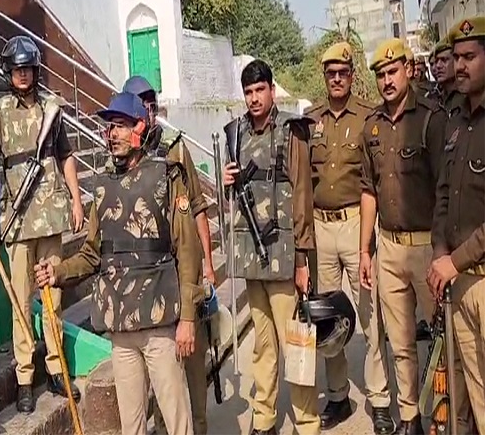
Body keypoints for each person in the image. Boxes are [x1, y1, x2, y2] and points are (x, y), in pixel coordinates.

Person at [34, 91, 202, 435]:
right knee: (132, 425)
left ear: (140, 127)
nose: (112, 134)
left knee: (177, 420)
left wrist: (187, 318)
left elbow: (187, 251)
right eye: (109, 127)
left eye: (121, 126)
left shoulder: (167, 176)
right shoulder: (103, 186)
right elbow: (92, 254)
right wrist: (59, 271)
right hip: (121, 327)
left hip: (159, 323)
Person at [0, 35, 84, 414]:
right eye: (17, 69)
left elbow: (66, 156)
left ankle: (57, 368)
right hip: (17, 220)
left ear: (35, 71)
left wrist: (75, 199)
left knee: (52, 298)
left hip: (51, 215)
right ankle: (24, 377)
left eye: (28, 68)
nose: (23, 75)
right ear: (9, 72)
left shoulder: (52, 110)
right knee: (20, 303)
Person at [221, 59, 319, 435]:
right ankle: (264, 418)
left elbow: (301, 197)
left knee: (295, 344)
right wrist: (228, 178)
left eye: (260, 90)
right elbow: (231, 193)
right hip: (251, 255)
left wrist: (302, 260)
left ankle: (306, 422)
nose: (254, 98)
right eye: (248, 92)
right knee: (262, 346)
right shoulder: (237, 133)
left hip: (282, 253)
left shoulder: (289, 131)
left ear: (272, 90)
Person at [359, 38, 446, 435]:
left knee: (444, 339)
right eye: (380, 75)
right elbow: (368, 191)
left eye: (392, 72)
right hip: (389, 249)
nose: (386, 80)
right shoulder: (372, 126)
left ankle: (446, 413)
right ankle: (410, 415)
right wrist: (365, 250)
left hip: (428, 246)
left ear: (408, 70)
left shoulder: (430, 118)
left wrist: (444, 249)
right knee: (401, 342)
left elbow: (446, 189)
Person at [305, 42, 393, 433]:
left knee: (369, 313)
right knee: (328, 319)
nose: (336, 78)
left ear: (352, 75)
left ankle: (379, 398)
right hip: (321, 226)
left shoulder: (367, 116)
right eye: (330, 73)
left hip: (358, 222)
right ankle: (338, 396)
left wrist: (369, 244)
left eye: (342, 72)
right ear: (324, 77)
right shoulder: (311, 121)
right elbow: (303, 179)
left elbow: (376, 176)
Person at [121, 75, 213, 435]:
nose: (148, 109)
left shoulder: (175, 150)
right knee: (163, 382)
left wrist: (207, 264)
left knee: (193, 372)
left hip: (182, 276)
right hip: (151, 288)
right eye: (140, 104)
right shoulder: (121, 162)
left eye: (151, 103)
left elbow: (198, 209)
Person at [428, 15, 485, 434]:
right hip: (458, 280)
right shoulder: (456, 121)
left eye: (470, 56)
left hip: (479, 276)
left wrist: (456, 260)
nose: (460, 65)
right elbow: (443, 196)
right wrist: (439, 254)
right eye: (457, 57)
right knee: (474, 394)